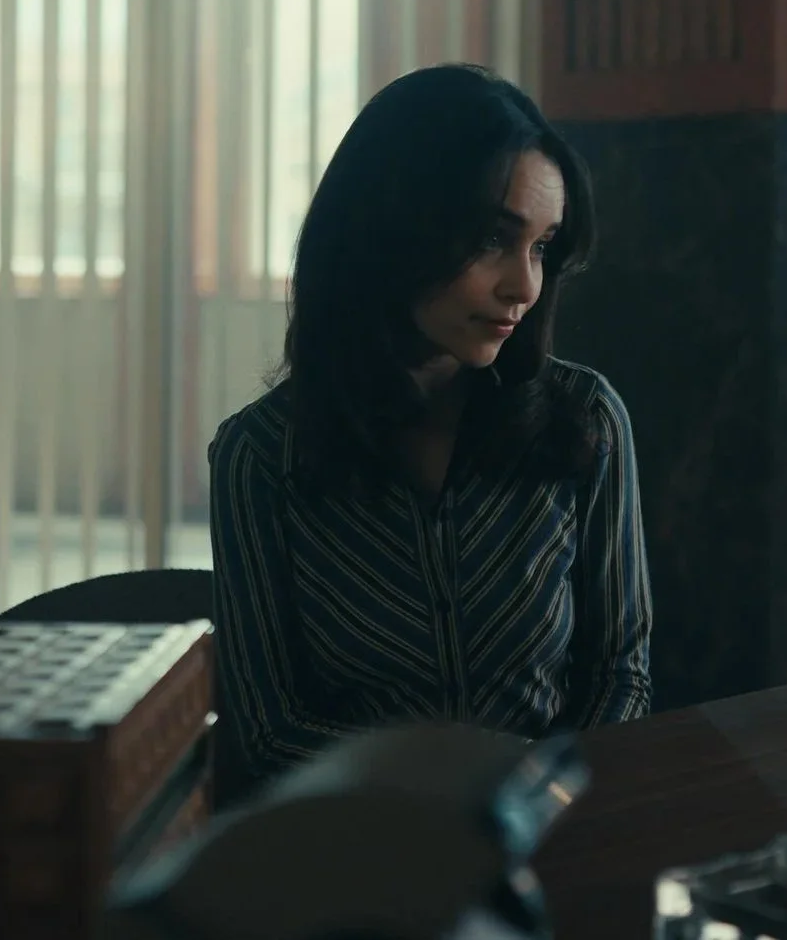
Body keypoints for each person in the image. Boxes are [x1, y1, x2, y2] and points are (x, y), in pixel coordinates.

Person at [208, 64, 654, 783]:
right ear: (390, 228)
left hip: (556, 847)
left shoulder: (585, 421)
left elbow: (620, 676)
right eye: (491, 240)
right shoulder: (260, 455)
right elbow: (270, 731)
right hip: (355, 859)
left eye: (542, 247)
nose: (525, 285)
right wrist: (454, 792)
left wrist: (537, 802)